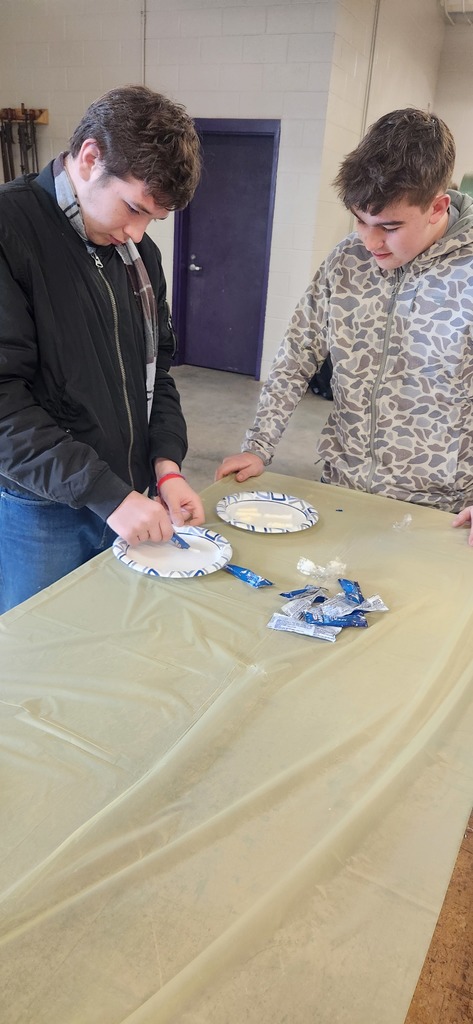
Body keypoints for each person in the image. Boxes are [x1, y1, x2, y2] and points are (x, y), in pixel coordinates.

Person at [216, 107, 473, 546]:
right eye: (360, 220)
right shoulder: (346, 261)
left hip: (444, 510)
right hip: (342, 487)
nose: (370, 241)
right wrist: (258, 444)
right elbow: (297, 354)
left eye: (389, 227)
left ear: (437, 207)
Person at [0, 85, 205, 614]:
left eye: (152, 220)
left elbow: (156, 374)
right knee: (43, 650)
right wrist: (104, 493)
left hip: (132, 497)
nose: (136, 231)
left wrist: (167, 464)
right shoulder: (10, 232)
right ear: (90, 158)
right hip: (43, 512)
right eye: (133, 208)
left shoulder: (139, 255)